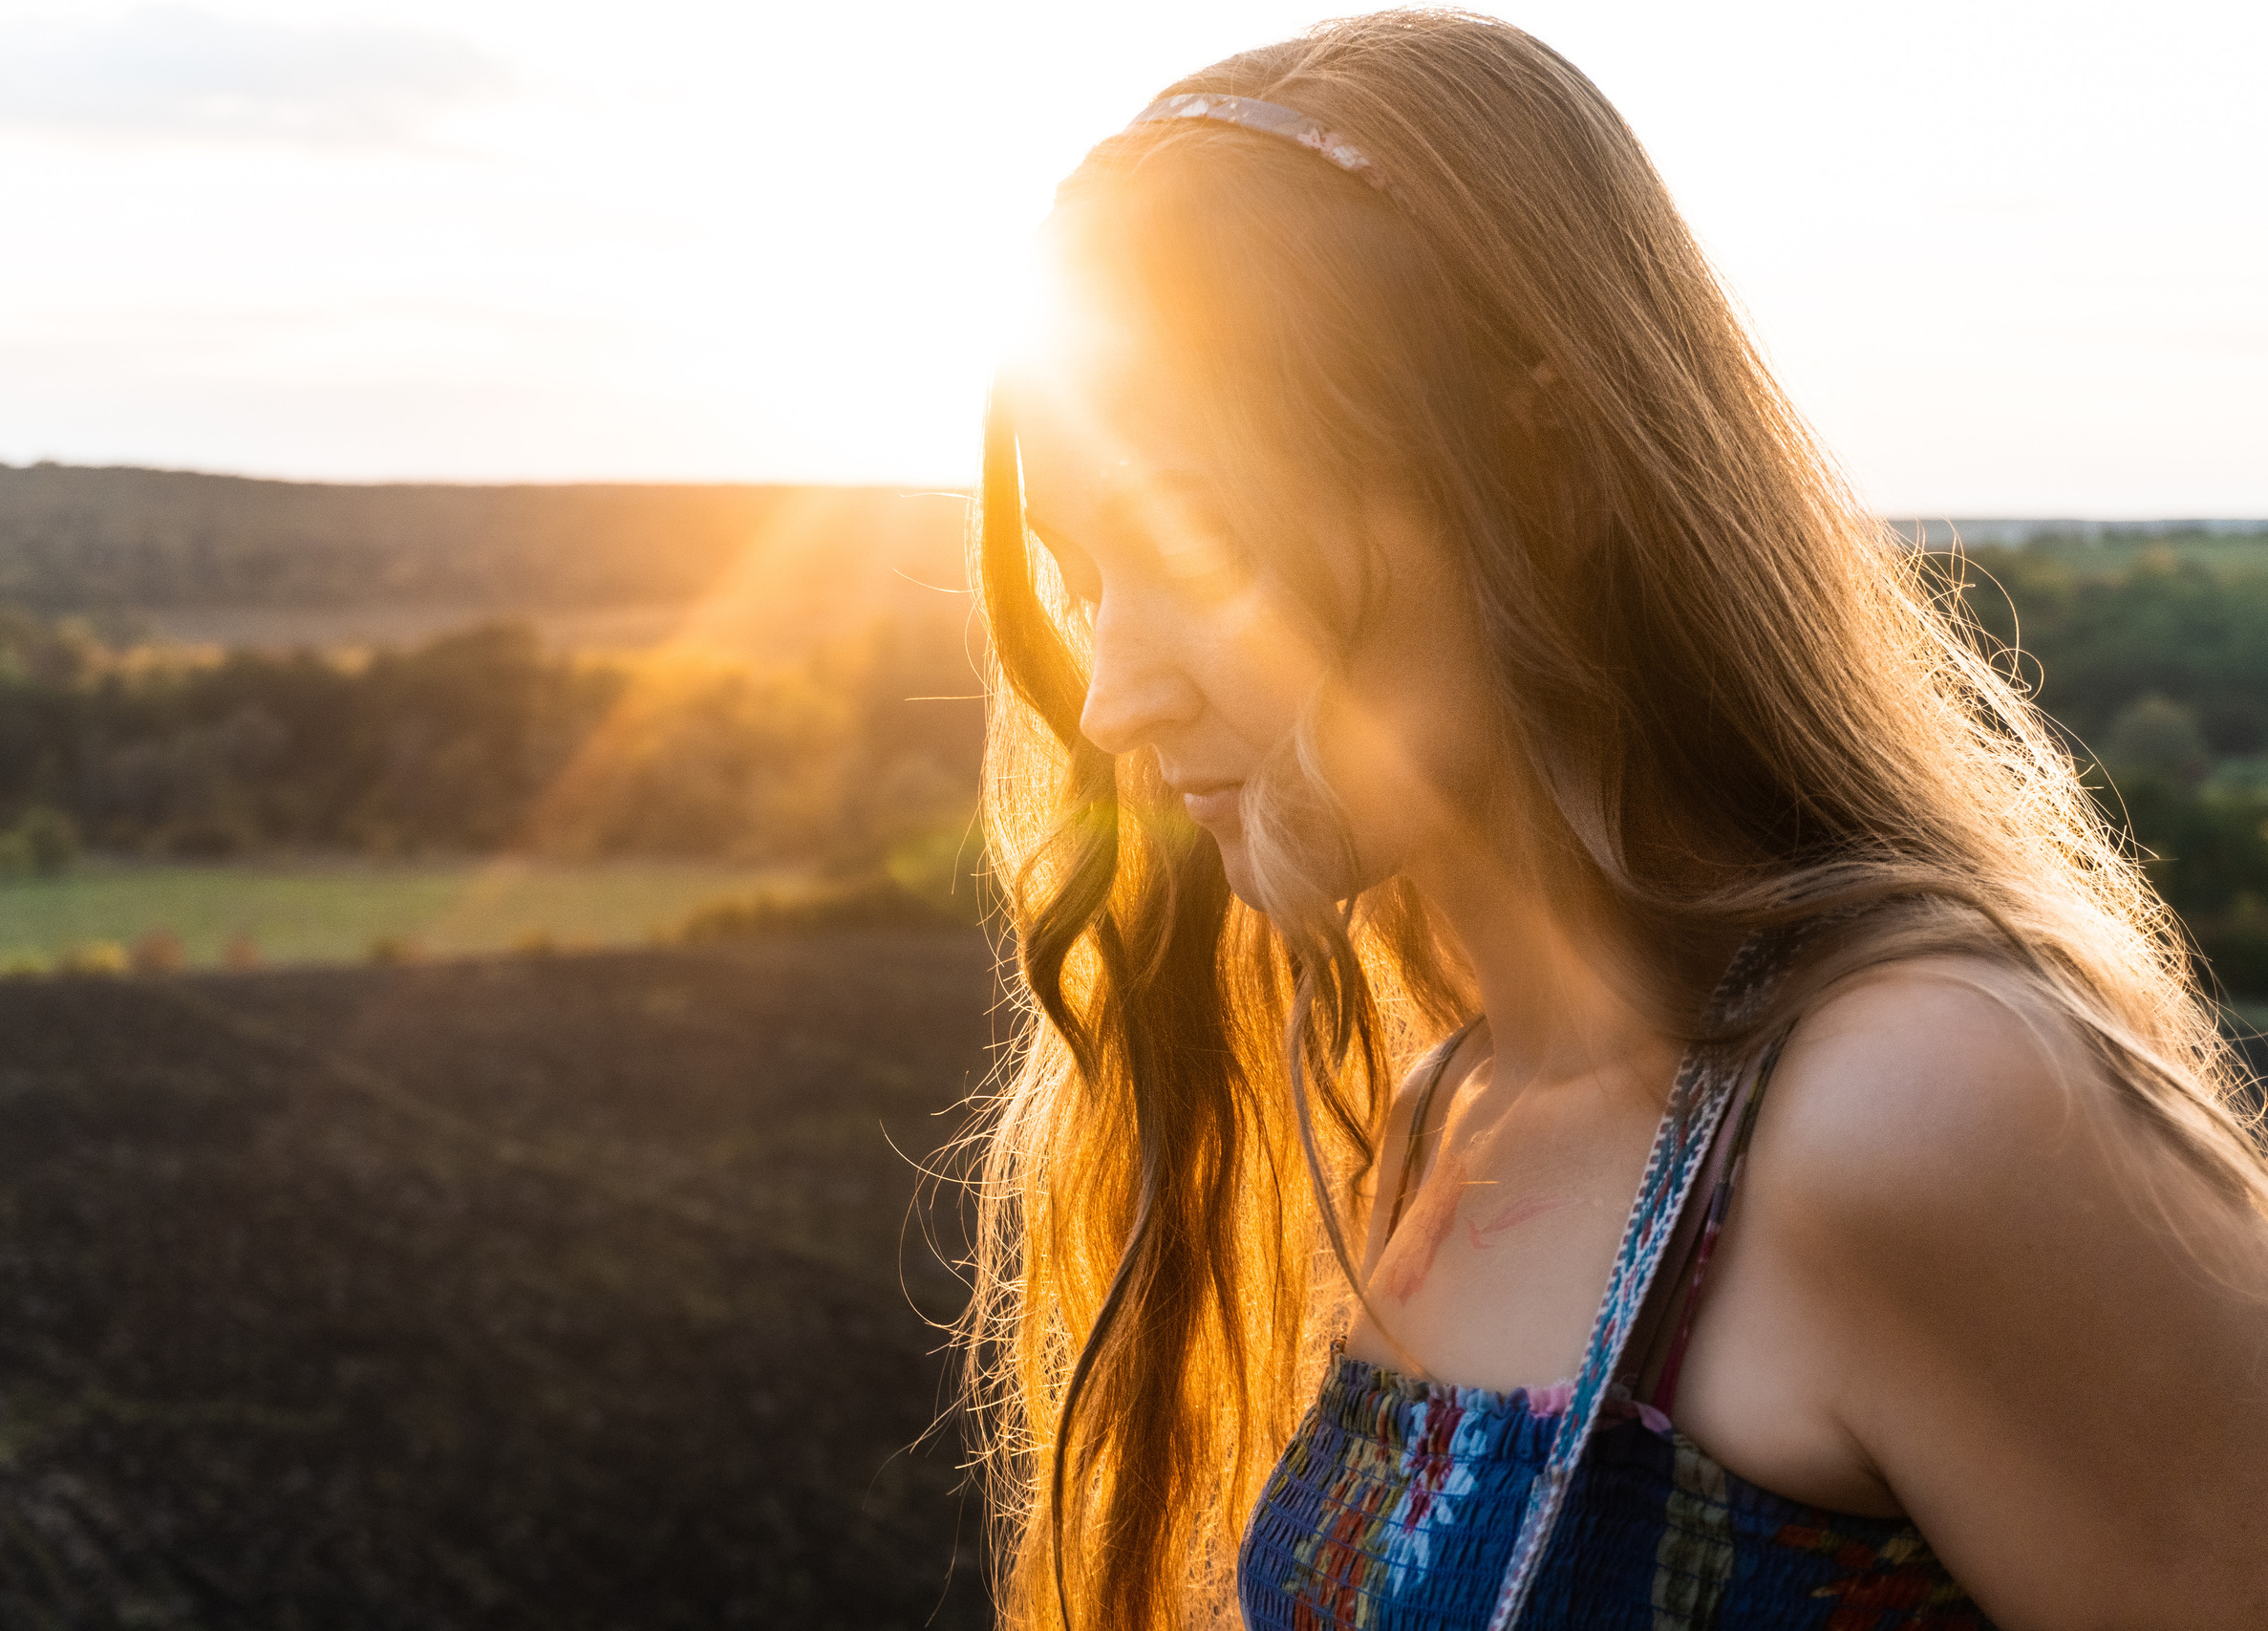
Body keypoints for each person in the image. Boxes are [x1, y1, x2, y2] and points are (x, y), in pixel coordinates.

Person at [954, 11, 2268, 1631]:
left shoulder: (1918, 1111)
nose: (1110, 700)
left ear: (1549, 465)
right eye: (1089, 584)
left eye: (1202, 550)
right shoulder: (1444, 1106)